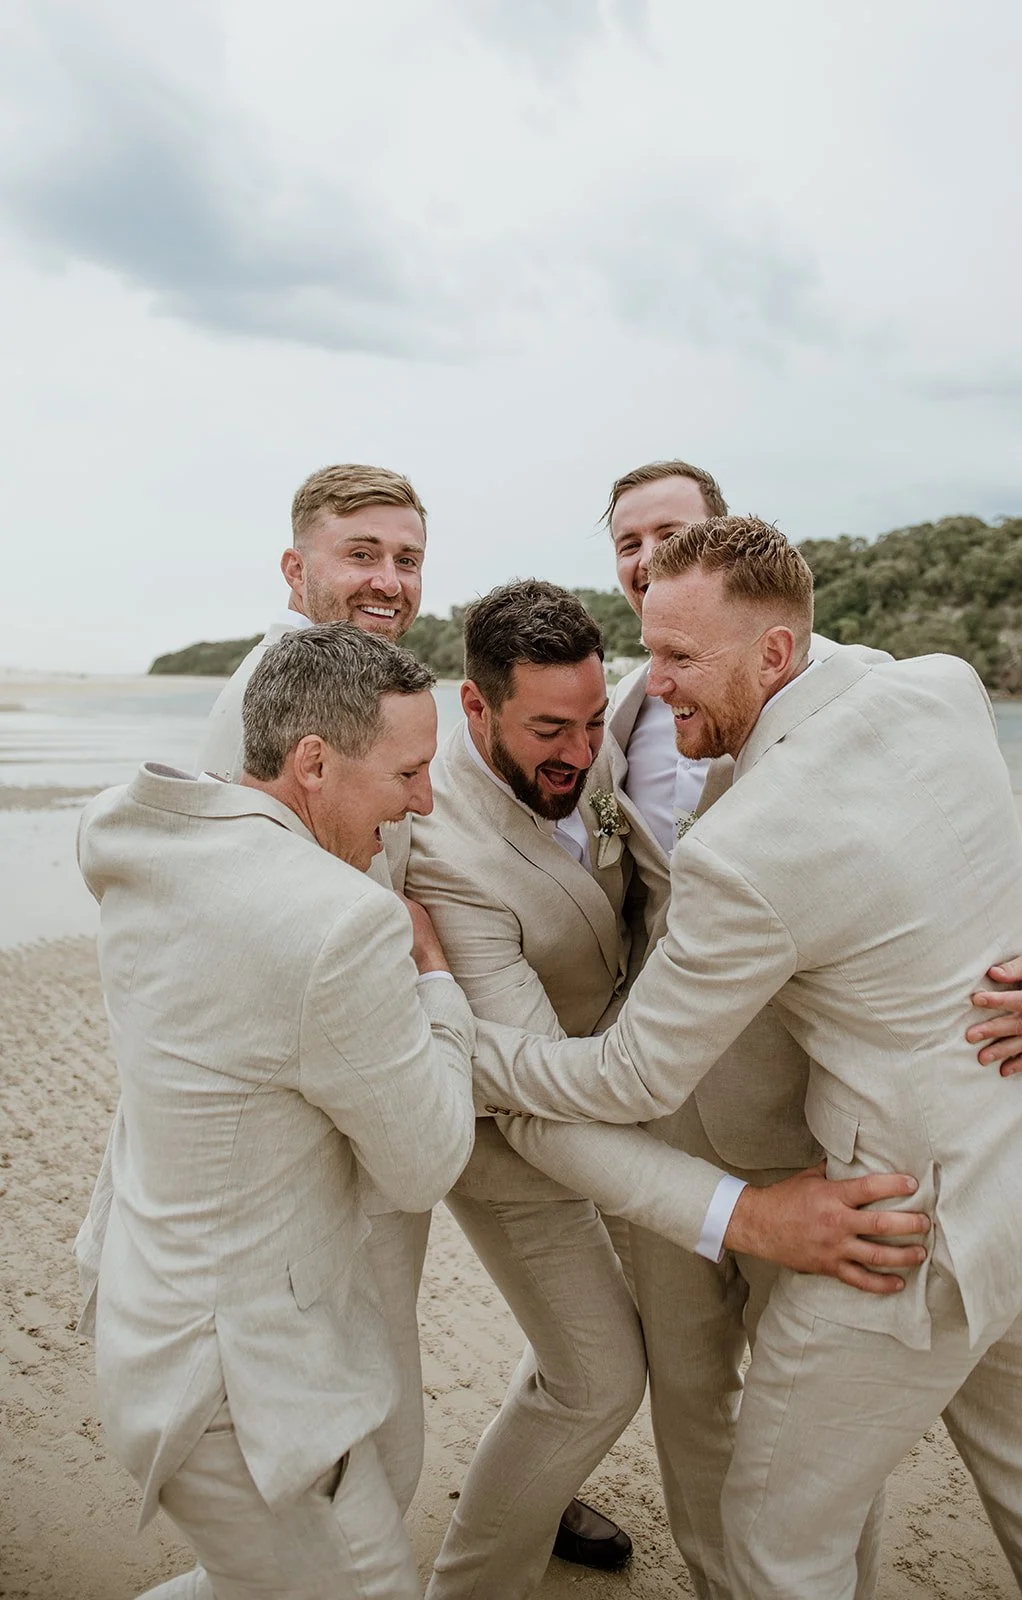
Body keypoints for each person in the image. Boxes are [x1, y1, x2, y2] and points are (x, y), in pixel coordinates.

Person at [468, 517, 1022, 1598]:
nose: (662, 680)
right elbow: (959, 861)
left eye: (683, 657)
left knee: (778, 1546)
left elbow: (634, 1076)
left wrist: (475, 1051)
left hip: (903, 1232)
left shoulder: (748, 841)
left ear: (775, 653)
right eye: (652, 648)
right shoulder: (940, 687)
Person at [406, 582, 928, 1600]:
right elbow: (529, 1101)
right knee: (602, 1372)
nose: (580, 749)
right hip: (519, 1122)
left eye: (594, 721)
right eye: (550, 729)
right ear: (475, 709)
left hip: (630, 1096)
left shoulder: (614, 733)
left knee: (604, 1351)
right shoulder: (446, 849)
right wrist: (748, 1217)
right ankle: (468, 1586)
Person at [196, 462, 636, 1565]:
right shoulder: (264, 704)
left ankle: (518, 1503)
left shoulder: (388, 691)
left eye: (406, 556)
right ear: (297, 569)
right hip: (343, 1123)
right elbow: (236, 938)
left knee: (543, 1372)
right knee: (369, 1439)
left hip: (428, 1088)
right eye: (362, 554)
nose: (389, 579)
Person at [74, 624, 478, 1599]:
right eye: (409, 772)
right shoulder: (339, 924)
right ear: (310, 763)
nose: (424, 800)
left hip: (141, 1316)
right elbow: (426, 1163)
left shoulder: (133, 834)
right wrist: (436, 984)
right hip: (241, 1398)